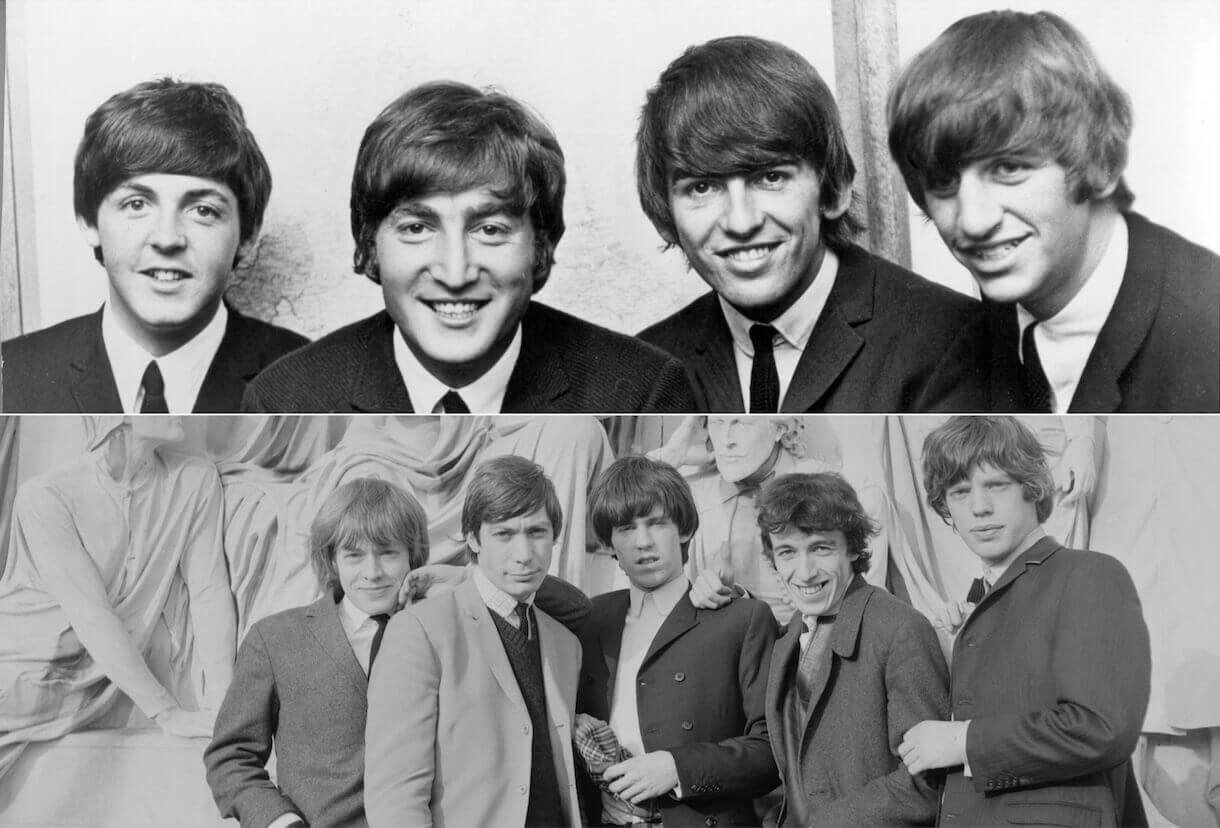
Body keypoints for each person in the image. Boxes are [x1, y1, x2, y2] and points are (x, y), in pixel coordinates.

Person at [243, 81, 694, 414]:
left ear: (540, 245)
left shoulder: (642, 393)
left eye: (491, 230)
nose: (455, 274)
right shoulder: (283, 400)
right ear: (370, 244)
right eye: (418, 228)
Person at [205, 476, 590, 828]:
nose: (372, 572)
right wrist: (280, 822)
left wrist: (468, 575)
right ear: (332, 561)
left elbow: (573, 609)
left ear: (413, 555)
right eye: (354, 555)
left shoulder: (447, 624)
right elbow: (230, 757)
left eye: (388, 553)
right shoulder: (277, 639)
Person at [888, 10, 1219, 413]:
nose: (973, 221)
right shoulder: (968, 340)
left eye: (1008, 169)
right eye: (944, 182)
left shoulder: (1206, 328)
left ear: (1099, 160)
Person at [634, 35, 977, 413]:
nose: (741, 222)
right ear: (664, 215)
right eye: (702, 187)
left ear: (833, 189)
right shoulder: (647, 364)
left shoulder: (948, 339)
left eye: (770, 178)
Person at [0, 78, 307, 413]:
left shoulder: (308, 385)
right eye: (136, 204)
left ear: (247, 234)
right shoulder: (11, 377)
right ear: (88, 221)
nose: (167, 238)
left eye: (203, 210)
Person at [901, 416, 1150, 825]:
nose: (979, 507)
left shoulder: (1088, 573)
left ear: (1032, 487)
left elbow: (1103, 727)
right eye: (960, 492)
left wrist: (963, 741)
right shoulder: (972, 605)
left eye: (995, 485)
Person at [0, 417, 235, 779]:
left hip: (94, 672)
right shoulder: (46, 496)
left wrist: (225, 705)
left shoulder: (195, 480)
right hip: (25, 658)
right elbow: (92, 615)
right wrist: (165, 711)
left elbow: (210, 591)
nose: (180, 408)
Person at [364, 455, 582, 827]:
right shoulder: (418, 631)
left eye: (537, 532)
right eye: (504, 534)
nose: (525, 554)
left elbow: (582, 607)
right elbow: (396, 795)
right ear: (473, 539)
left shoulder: (565, 643)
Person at [575, 455, 778, 826]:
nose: (643, 542)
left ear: (683, 529)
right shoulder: (590, 619)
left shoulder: (741, 618)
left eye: (657, 523)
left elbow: (773, 752)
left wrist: (677, 768)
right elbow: (531, 593)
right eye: (625, 529)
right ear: (609, 544)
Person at [758, 472, 948, 825]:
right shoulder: (790, 636)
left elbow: (926, 783)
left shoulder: (902, 629)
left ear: (852, 548)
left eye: (820, 548)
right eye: (787, 552)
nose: (805, 572)